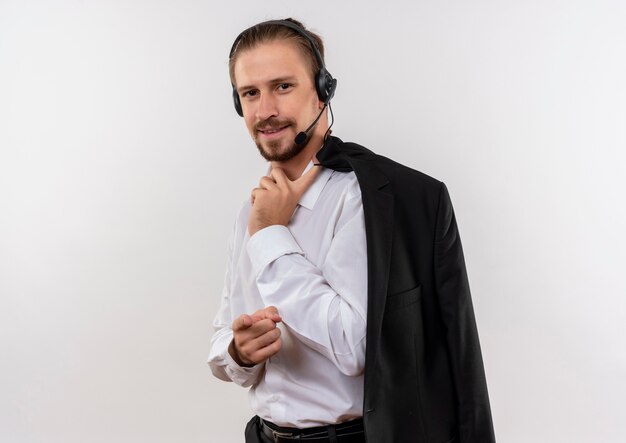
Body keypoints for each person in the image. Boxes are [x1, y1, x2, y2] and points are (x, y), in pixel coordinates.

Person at [208, 18, 495, 443]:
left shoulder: (367, 201)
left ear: (322, 89)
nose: (265, 110)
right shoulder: (252, 208)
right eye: (250, 93)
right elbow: (222, 336)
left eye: (283, 87)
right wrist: (237, 352)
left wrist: (270, 236)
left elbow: (354, 348)